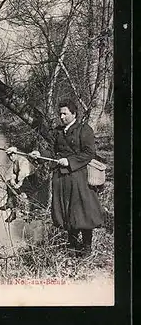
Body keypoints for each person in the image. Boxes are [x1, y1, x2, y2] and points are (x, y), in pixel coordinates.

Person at [29, 99, 105, 257]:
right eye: (60, 114)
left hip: (79, 177)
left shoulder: (84, 130)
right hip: (61, 178)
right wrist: (39, 155)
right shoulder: (57, 131)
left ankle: (86, 248)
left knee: (83, 213)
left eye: (65, 113)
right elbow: (51, 152)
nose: (61, 116)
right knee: (66, 210)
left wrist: (69, 161)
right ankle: (72, 246)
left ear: (74, 114)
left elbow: (88, 153)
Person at [0, 146, 35, 223]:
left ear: (16, 154)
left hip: (31, 181)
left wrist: (18, 184)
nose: (11, 157)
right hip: (24, 180)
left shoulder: (22, 160)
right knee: (9, 184)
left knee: (18, 193)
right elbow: (15, 173)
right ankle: (11, 207)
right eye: (9, 156)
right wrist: (12, 180)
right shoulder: (15, 161)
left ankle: (22, 212)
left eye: (12, 155)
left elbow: (23, 173)